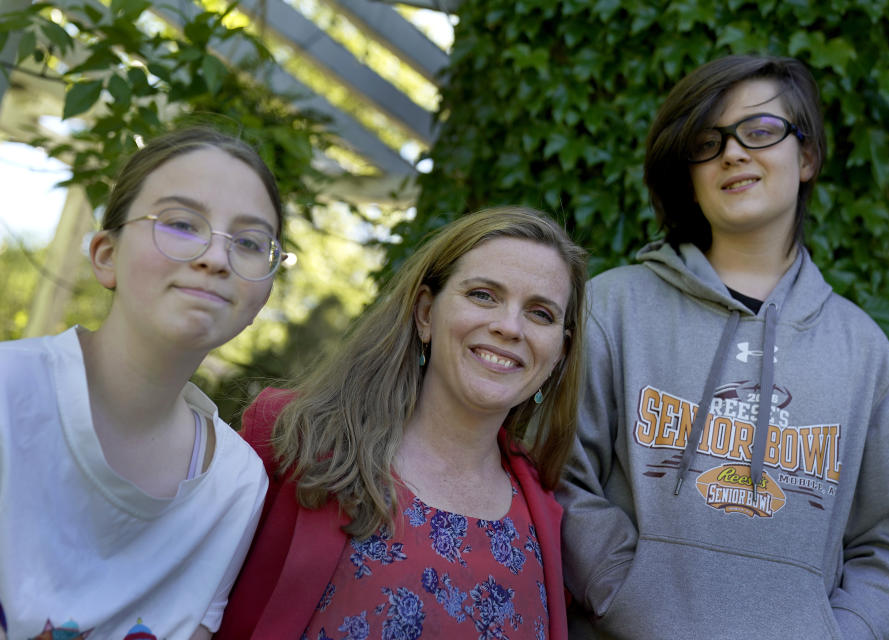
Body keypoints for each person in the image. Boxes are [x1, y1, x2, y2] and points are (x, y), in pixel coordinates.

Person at [557, 55, 889, 639]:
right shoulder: (612, 309)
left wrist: (840, 633)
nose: (733, 153)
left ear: (806, 157)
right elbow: (561, 477)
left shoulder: (865, 355)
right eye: (707, 142)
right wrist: (624, 596)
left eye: (759, 132)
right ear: (689, 171)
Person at [217, 206, 587, 639]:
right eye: (484, 295)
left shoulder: (548, 512)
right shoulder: (294, 438)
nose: (509, 326)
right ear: (426, 314)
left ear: (559, 353)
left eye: (540, 313)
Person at [0, 127, 286, 639]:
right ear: (106, 254)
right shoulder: (7, 391)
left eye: (248, 242)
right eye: (180, 223)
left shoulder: (236, 486)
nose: (216, 258)